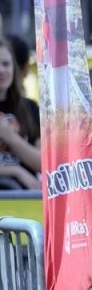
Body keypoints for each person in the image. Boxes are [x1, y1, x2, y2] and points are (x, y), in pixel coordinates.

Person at [0, 34, 41, 190]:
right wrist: (16, 171)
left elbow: (43, 162)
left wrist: (10, 137)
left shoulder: (29, 107)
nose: (1, 70)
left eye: (6, 64)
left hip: (25, 202)